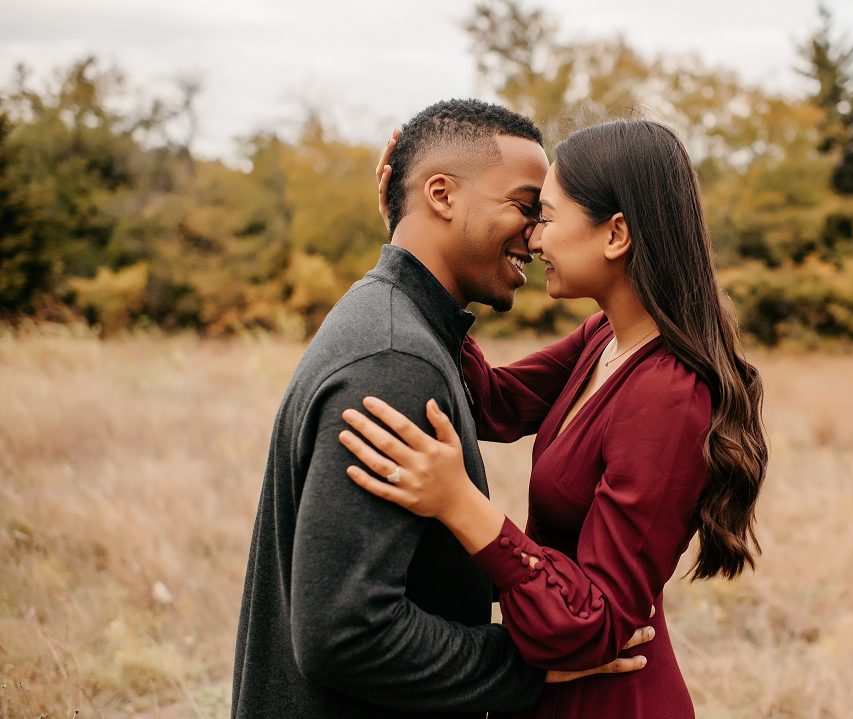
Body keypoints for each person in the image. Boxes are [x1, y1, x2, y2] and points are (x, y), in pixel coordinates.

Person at [231, 100, 651, 719]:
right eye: (524, 205)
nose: (536, 236)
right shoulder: (395, 360)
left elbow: (499, 399)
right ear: (442, 195)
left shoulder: (390, 322)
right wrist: (527, 666)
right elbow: (345, 633)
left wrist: (403, 226)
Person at [339, 119, 770, 718]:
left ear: (615, 234)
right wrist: (414, 234)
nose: (534, 239)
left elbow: (593, 621)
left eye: (547, 216)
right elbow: (493, 401)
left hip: (610, 699)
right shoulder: (603, 339)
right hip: (550, 692)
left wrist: (459, 502)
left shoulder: (669, 394)